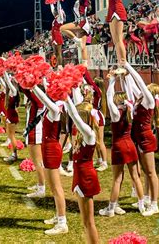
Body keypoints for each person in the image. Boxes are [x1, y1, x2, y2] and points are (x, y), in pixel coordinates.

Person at [98, 71, 147, 217]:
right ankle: (141, 205)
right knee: (136, 177)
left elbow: (107, 96)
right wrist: (124, 78)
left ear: (116, 100)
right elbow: (138, 96)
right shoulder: (131, 109)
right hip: (130, 145)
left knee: (117, 179)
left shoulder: (115, 112)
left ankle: (111, 208)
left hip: (119, 147)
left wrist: (113, 80)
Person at [124, 62, 159, 216]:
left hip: (146, 138)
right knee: (145, 171)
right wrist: (124, 75)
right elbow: (132, 86)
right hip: (139, 137)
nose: (143, 89)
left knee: (151, 172)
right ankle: (146, 197)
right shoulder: (141, 100)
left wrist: (128, 65)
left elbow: (138, 81)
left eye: (147, 88)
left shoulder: (149, 102)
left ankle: (154, 204)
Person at [33, 87, 69, 236]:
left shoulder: (56, 108)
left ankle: (62, 223)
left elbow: (44, 99)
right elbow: (45, 97)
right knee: (53, 188)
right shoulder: (53, 107)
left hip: (52, 150)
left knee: (56, 187)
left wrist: (34, 86)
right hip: (47, 148)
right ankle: (58, 215)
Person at [65, 97, 100, 244]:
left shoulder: (89, 134)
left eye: (78, 117)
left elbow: (73, 114)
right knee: (85, 221)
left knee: (89, 222)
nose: (74, 120)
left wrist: (65, 95)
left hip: (86, 177)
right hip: (80, 177)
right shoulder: (82, 134)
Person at [23, 88, 47, 197]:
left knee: (38, 162)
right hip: (31, 132)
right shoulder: (35, 102)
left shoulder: (39, 102)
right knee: (35, 161)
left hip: (35, 133)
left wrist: (25, 82)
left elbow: (27, 92)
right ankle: (39, 184)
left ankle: (42, 189)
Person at [60, 0, 91, 66]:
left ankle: (77, 40)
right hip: (82, 23)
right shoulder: (78, 1)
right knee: (83, 47)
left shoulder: (83, 0)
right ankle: (85, 67)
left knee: (62, 28)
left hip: (82, 23)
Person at [3, 72, 20, 163]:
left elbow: (8, 82)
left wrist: (4, 71)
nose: (10, 79)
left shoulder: (14, 91)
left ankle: (14, 154)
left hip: (12, 114)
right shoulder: (10, 91)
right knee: (10, 135)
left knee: (12, 135)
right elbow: (6, 82)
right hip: (10, 114)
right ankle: (13, 153)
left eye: (11, 78)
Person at [50, 0, 65, 68]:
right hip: (53, 36)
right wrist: (51, 2)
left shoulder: (60, 18)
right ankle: (56, 67)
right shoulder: (55, 18)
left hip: (58, 35)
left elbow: (59, 8)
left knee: (59, 53)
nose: (54, 12)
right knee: (55, 53)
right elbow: (52, 9)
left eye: (55, 12)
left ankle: (60, 67)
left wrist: (58, 0)